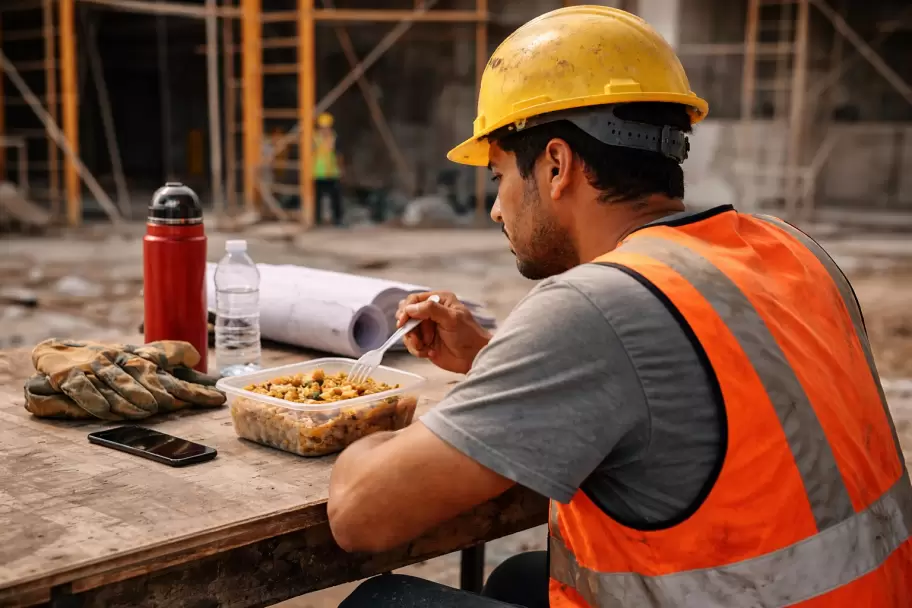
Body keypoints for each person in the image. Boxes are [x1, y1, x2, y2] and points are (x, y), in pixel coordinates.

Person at [329, 6, 912, 608]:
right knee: (520, 578)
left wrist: (361, 427)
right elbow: (696, 402)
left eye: (499, 174)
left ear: (556, 166)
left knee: (379, 603)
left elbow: (359, 516)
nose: (496, 209)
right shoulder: (791, 248)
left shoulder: (598, 304)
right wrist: (493, 362)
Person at [313, 112, 344, 226]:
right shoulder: (314, 138)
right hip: (318, 173)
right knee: (317, 199)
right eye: (322, 127)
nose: (324, 130)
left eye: (326, 127)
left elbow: (339, 155)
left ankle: (338, 220)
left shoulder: (335, 138)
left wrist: (341, 169)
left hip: (332, 172)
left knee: (336, 198)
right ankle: (316, 220)